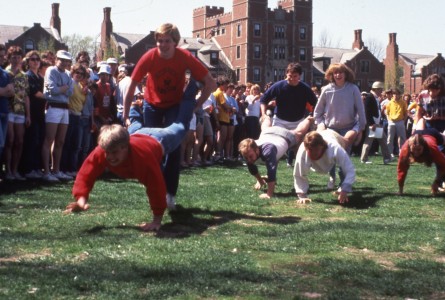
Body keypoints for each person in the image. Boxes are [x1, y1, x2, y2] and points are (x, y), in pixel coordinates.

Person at [64, 81, 199, 231]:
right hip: (136, 135)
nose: (109, 157)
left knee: (180, 125)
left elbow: (156, 186)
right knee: (134, 126)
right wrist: (81, 199)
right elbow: (86, 173)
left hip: (159, 139)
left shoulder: (143, 160)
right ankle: (135, 108)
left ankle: (193, 86)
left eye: (114, 152)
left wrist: (157, 220)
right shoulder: (104, 149)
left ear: (124, 147)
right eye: (107, 152)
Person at [122, 23, 216, 210]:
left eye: (167, 41)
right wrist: (125, 115)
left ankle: (170, 194)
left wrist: (197, 105)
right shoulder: (149, 57)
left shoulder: (185, 56)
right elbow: (132, 86)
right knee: (152, 148)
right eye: (159, 41)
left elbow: (210, 83)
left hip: (174, 105)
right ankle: (155, 191)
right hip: (152, 104)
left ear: (175, 42)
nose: (162, 45)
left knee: (173, 149)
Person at [314, 63, 366, 190]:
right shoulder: (326, 89)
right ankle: (332, 178)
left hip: (347, 129)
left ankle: (343, 185)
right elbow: (317, 112)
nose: (338, 75)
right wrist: (321, 125)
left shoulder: (353, 89)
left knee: (343, 157)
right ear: (331, 75)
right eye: (335, 73)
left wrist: (360, 129)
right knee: (330, 156)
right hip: (331, 129)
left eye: (340, 72)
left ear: (346, 74)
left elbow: (361, 111)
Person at [238, 115, 314, 199]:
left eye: (250, 156)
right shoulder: (249, 150)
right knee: (265, 129)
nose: (249, 159)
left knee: (298, 132)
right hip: (268, 132)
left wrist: (269, 194)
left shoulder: (268, 151)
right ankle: (266, 117)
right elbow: (252, 168)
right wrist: (260, 181)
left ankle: (308, 119)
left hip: (284, 135)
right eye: (246, 157)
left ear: (256, 150)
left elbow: (271, 172)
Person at [260, 62, 318, 167]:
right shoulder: (278, 86)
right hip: (280, 121)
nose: (291, 78)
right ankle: (272, 174)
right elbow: (263, 99)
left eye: (295, 76)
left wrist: (311, 114)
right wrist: (263, 114)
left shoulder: (305, 88)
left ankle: (299, 172)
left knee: (299, 148)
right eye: (289, 75)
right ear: (286, 74)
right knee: (276, 147)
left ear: (299, 76)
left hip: (298, 122)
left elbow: (316, 103)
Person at [293, 130, 354, 204]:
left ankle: (355, 129)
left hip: (334, 135)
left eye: (316, 149)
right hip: (322, 133)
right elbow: (299, 173)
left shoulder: (335, 147)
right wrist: (302, 195)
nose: (313, 153)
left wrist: (345, 189)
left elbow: (349, 169)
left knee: (347, 140)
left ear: (322, 146)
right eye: (310, 150)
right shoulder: (303, 149)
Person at [41, 50, 74, 182]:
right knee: (49, 139)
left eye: (67, 61)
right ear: (56, 59)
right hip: (53, 107)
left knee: (60, 141)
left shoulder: (67, 74)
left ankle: (56, 170)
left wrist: (61, 88)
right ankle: (46, 172)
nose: (65, 63)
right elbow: (52, 90)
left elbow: (70, 92)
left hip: (65, 109)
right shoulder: (51, 70)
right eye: (62, 60)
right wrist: (63, 88)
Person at [4, 46, 30, 180]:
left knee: (19, 141)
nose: (16, 59)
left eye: (19, 57)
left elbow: (26, 96)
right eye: (13, 57)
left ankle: (15, 170)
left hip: (20, 111)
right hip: (8, 110)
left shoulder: (24, 76)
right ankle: (7, 170)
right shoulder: (5, 73)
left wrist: (28, 114)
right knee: (10, 139)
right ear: (9, 58)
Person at [397, 129, 445, 196]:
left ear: (423, 147)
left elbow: (443, 165)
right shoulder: (405, 149)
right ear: (410, 147)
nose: (416, 152)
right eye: (414, 149)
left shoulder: (431, 148)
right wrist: (400, 190)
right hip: (418, 133)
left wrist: (437, 182)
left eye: (419, 149)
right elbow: (401, 169)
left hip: (433, 134)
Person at [21, 51, 46, 179]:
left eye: (37, 59)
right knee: (31, 141)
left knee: (39, 141)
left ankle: (36, 167)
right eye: (32, 59)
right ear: (28, 62)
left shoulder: (41, 77)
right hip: (32, 113)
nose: (36, 61)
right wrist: (53, 96)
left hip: (41, 114)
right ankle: (28, 168)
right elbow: (36, 94)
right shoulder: (28, 76)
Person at [360, 81, 392, 164]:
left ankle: (387, 158)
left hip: (376, 123)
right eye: (380, 89)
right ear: (376, 89)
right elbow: (367, 112)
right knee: (369, 141)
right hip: (373, 124)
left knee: (383, 140)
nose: (381, 91)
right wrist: (371, 124)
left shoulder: (374, 98)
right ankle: (364, 158)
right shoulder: (369, 97)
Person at [0, 44, 14, 177]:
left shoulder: (5, 73)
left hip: (4, 111)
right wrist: (4, 91)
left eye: (3, 55)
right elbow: (7, 90)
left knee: (2, 144)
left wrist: (3, 91)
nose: (3, 58)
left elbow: (11, 92)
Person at [386, 88, 407, 157]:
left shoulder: (403, 102)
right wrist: (388, 120)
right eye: (394, 94)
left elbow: (405, 113)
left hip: (400, 121)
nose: (395, 95)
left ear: (399, 95)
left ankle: (401, 152)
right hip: (391, 122)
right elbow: (387, 113)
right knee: (390, 138)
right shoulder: (389, 103)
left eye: (397, 94)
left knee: (402, 138)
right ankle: (389, 153)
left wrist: (403, 121)